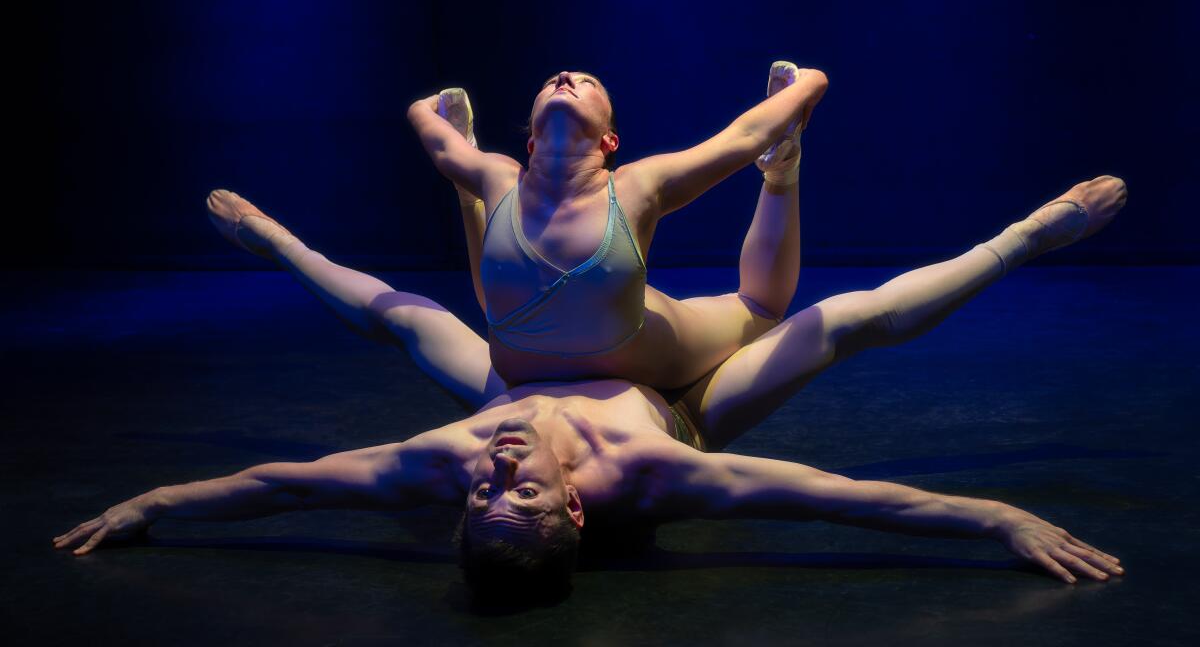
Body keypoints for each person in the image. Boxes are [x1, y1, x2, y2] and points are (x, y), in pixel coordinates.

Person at [56, 176, 1128, 597]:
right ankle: (1030, 232)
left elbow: (283, 486)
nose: (495, 475)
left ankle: (274, 237)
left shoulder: (459, 456)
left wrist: (155, 504)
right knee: (840, 322)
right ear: (573, 505)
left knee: (406, 318)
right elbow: (846, 499)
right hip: (683, 395)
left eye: (480, 497)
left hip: (520, 371)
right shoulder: (658, 472)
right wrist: (991, 516)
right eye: (516, 495)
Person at [404, 64, 827, 389]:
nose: (565, 77)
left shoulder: (637, 185)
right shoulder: (498, 176)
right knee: (505, 279)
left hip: (640, 346)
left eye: (585, 82)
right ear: (530, 140)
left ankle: (782, 164)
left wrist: (811, 84)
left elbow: (743, 136)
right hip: (536, 319)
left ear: (609, 141)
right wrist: (417, 109)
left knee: (761, 310)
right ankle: (467, 194)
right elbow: (441, 145)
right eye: (552, 81)